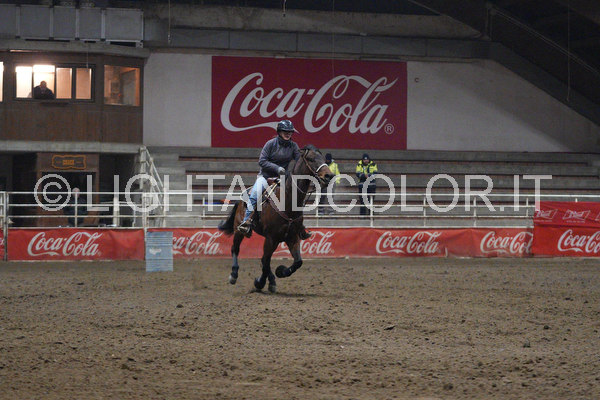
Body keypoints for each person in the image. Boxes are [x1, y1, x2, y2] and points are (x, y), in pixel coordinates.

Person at [237, 120, 312, 239]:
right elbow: (262, 161)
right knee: (255, 194)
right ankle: (246, 222)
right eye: (285, 131)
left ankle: (299, 226)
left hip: (283, 178)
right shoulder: (270, 144)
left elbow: (299, 161)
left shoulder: (294, 146)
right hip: (265, 177)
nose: (288, 134)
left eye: (290, 132)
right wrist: (277, 168)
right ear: (279, 132)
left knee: (295, 197)